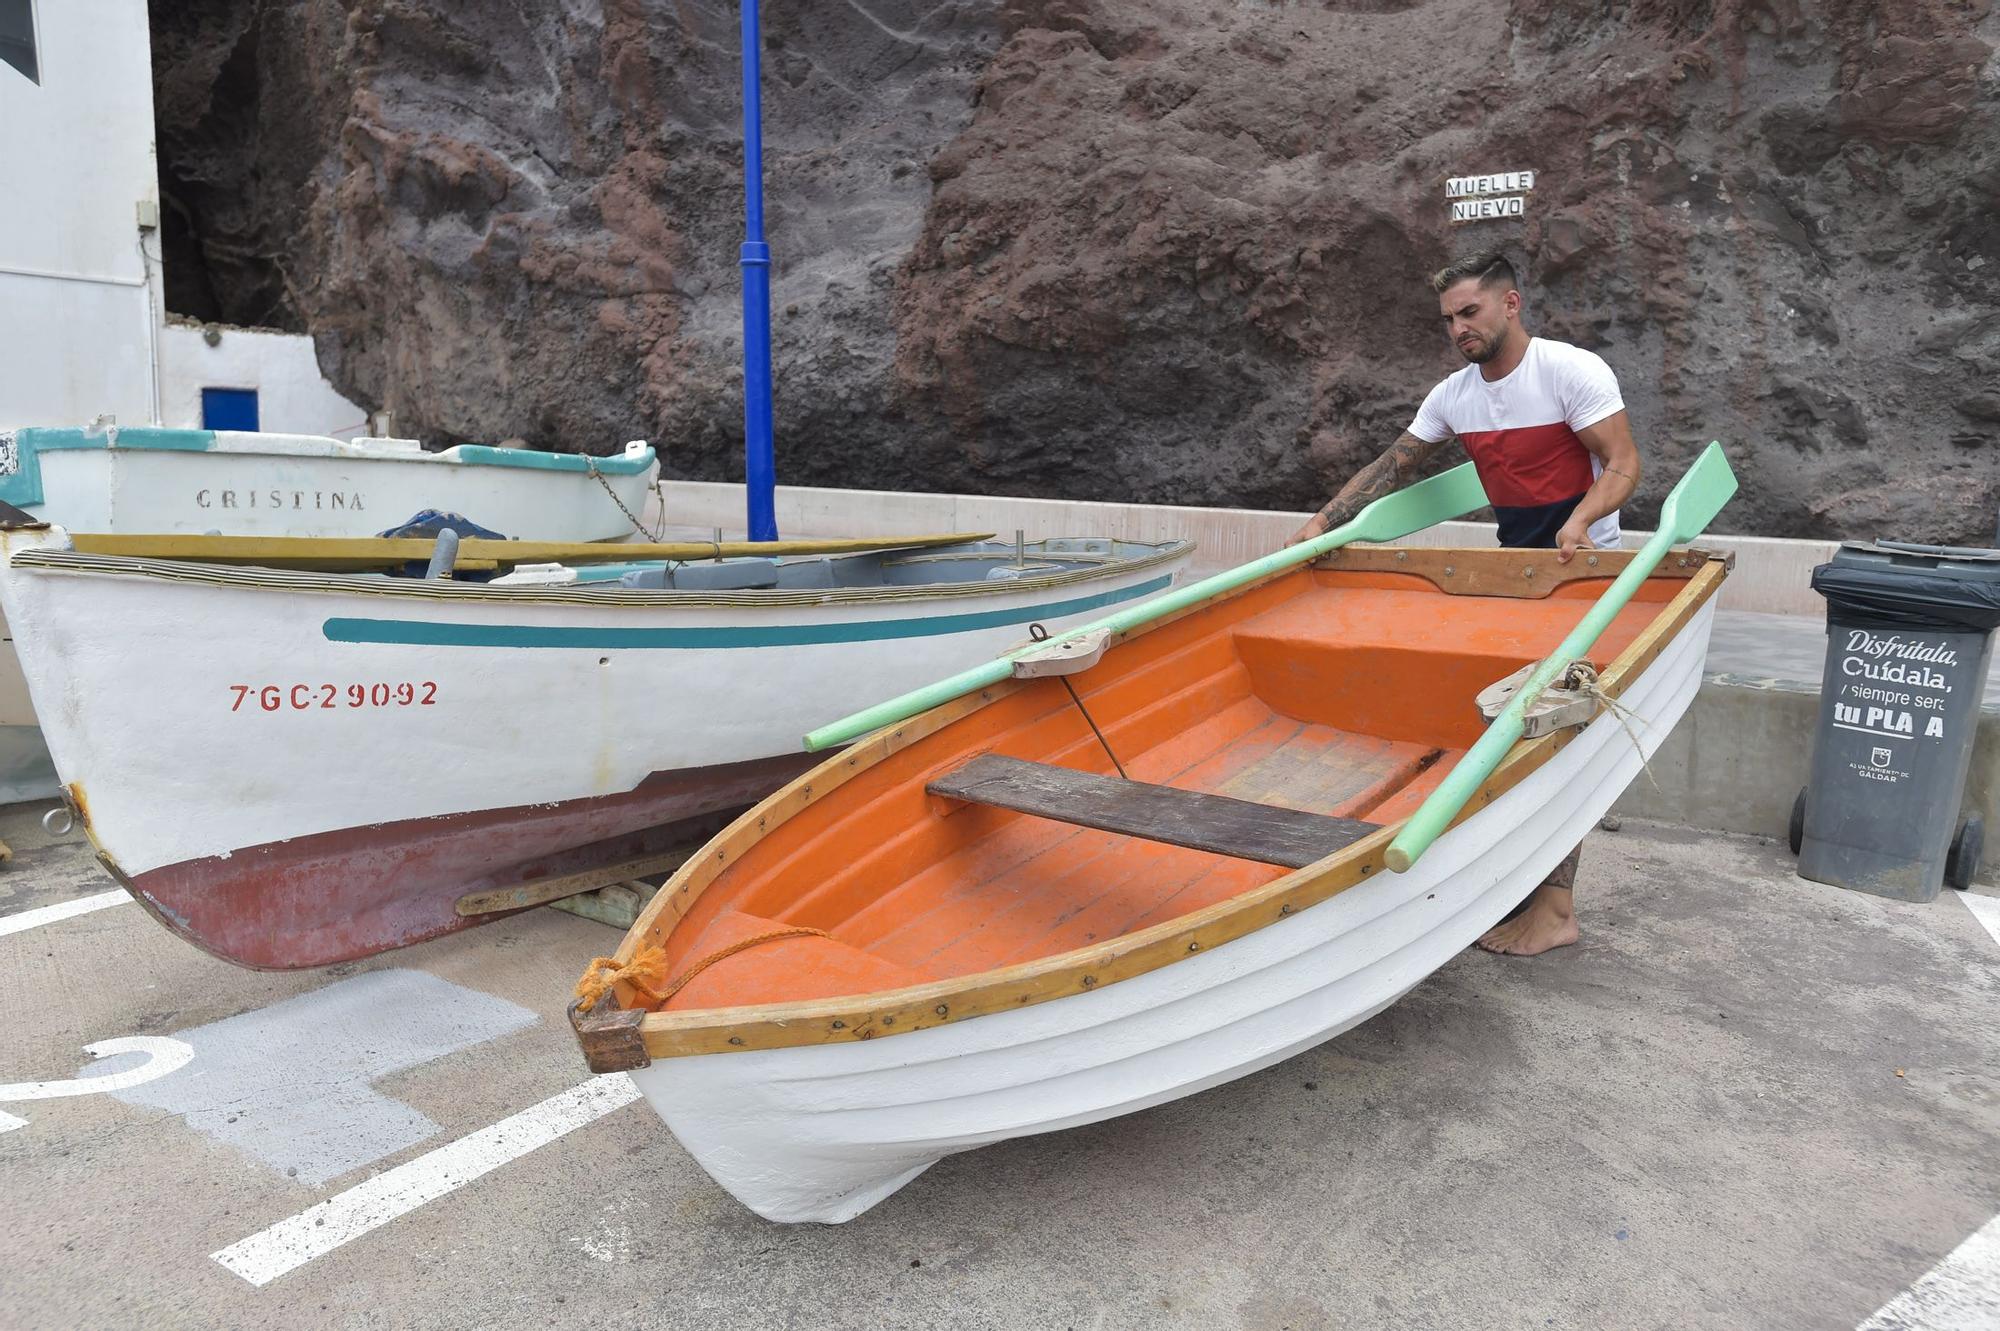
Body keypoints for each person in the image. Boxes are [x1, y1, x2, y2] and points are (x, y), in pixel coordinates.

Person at [1288, 251, 1641, 955]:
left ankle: (1556, 911)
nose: (1458, 328)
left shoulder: (1571, 371)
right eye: (1449, 318)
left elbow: (1626, 465)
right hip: (1515, 576)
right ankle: (1518, 886)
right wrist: (1323, 525)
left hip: (1585, 574)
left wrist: (1581, 520)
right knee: (1502, 729)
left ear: (1510, 304)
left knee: (1552, 732)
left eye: (1469, 312)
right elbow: (1394, 467)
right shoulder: (1454, 395)